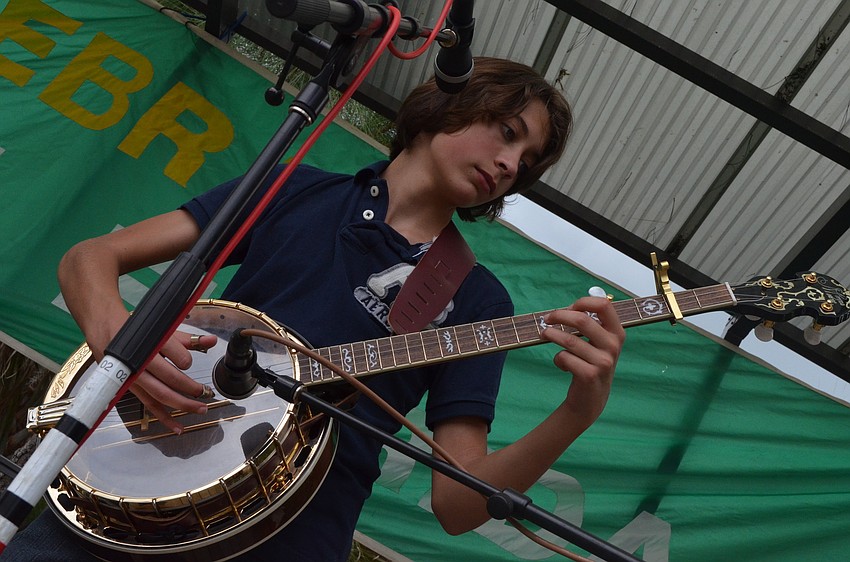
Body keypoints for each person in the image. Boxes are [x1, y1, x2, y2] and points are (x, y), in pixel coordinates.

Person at [1, 57, 624, 561]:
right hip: (134, 485)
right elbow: (91, 258)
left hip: (287, 536)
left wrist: (577, 412)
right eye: (508, 133)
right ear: (450, 104)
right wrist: (122, 347)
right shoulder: (295, 188)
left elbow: (457, 506)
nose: (511, 165)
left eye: (527, 161)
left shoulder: (480, 298)